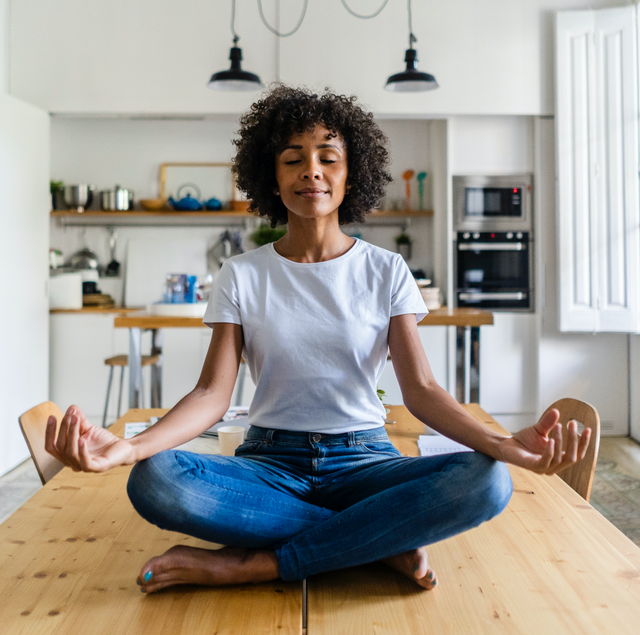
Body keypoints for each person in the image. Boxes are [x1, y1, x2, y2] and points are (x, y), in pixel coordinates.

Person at [45, 85, 591, 595]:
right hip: (268, 462)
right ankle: (372, 542)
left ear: (351, 174)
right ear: (272, 176)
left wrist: (501, 445)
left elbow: (421, 390)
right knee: (155, 480)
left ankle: (253, 564)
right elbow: (212, 395)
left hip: (365, 462)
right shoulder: (242, 274)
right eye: (293, 159)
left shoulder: (387, 270)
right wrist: (130, 448)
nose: (312, 171)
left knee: (487, 483)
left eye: (328, 157)